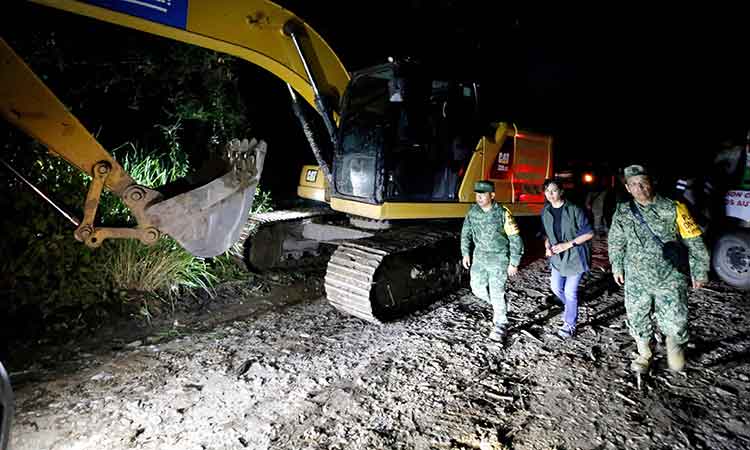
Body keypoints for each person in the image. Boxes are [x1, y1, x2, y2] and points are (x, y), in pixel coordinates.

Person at [608, 165, 710, 374]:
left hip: (669, 277)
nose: (640, 188)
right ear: (628, 188)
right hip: (636, 278)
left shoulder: (674, 207)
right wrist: (617, 265)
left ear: (652, 182)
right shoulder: (623, 212)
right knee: (637, 316)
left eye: (643, 182)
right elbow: (616, 241)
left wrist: (699, 270)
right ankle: (644, 353)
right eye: (634, 184)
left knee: (676, 317)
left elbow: (694, 240)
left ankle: (674, 347)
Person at [461, 180, 524, 342]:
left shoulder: (503, 213)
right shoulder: (472, 212)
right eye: (477, 194)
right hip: (480, 257)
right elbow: (465, 233)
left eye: (483, 194)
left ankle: (501, 323)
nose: (479, 198)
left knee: (497, 291)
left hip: (499, 258)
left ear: (492, 195)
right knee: (476, 288)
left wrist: (514, 262)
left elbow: (515, 238)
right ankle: (499, 306)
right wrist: (465, 253)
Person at [541, 178, 594, 339]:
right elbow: (547, 234)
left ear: (561, 191)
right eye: (547, 191)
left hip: (575, 256)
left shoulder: (574, 209)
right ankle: (571, 306)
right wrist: (547, 246)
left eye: (554, 190)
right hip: (557, 258)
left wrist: (567, 244)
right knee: (556, 288)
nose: (550, 194)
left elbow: (589, 233)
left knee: (570, 292)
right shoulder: (546, 211)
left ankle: (570, 324)